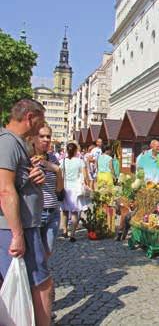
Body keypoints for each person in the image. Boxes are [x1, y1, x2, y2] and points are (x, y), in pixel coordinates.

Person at [0, 99, 53, 326]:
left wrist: (34, 179)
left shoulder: (17, 143)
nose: (41, 125)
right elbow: (4, 189)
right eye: (40, 120)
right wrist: (18, 235)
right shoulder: (8, 143)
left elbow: (15, 183)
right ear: (30, 117)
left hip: (20, 226)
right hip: (16, 228)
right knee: (43, 284)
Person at [32, 124, 63, 257]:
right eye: (42, 136)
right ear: (34, 138)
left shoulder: (53, 158)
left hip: (53, 212)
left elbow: (59, 189)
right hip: (36, 213)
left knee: (47, 252)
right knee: (35, 254)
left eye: (48, 136)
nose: (46, 139)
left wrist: (57, 170)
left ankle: (43, 277)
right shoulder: (28, 158)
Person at [60, 142, 89, 242]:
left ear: (67, 151)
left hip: (66, 186)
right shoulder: (80, 161)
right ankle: (72, 234)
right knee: (74, 212)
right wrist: (88, 184)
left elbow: (61, 176)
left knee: (64, 211)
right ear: (76, 150)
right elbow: (85, 176)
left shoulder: (62, 161)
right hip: (76, 188)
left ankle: (64, 231)